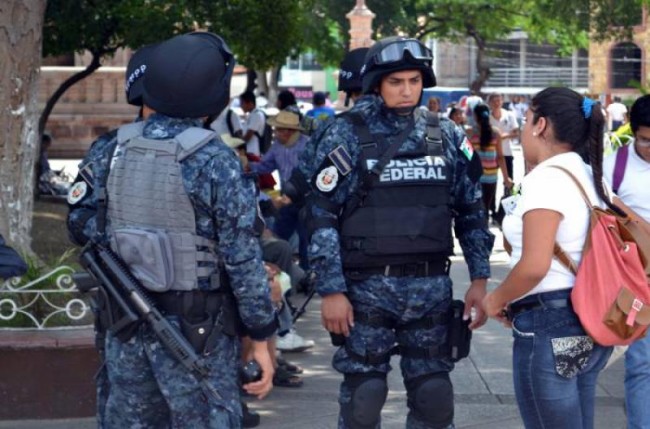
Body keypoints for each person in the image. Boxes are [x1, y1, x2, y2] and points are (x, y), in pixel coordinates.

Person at [67, 33, 276, 428]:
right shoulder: (215, 161)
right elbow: (243, 261)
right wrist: (261, 337)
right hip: (197, 334)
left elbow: (78, 225)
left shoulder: (109, 148)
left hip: (124, 326)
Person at [295, 36, 493, 428]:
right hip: (366, 291)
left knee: (434, 398)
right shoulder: (345, 134)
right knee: (364, 400)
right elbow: (320, 216)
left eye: (414, 81)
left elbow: (471, 210)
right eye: (396, 82)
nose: (407, 91)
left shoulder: (448, 135)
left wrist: (480, 278)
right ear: (377, 84)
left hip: (430, 290)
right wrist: (331, 291)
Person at [483, 87, 615, 429]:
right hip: (591, 318)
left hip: (552, 325)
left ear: (541, 125)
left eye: (526, 120)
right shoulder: (589, 174)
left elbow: (535, 266)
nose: (524, 128)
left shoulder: (548, 179)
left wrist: (494, 300)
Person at [603, 94, 650, 429]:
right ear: (634, 131)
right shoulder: (613, 167)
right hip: (637, 281)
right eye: (647, 140)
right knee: (641, 366)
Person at [245, 110, 310, 271]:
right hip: (286, 200)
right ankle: (283, 274)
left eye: (278, 129)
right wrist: (247, 166)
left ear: (289, 131)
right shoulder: (277, 147)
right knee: (278, 236)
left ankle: (307, 275)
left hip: (307, 200)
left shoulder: (308, 145)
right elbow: (265, 166)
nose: (275, 132)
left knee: (305, 240)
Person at [468, 104, 510, 220]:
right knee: (486, 206)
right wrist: (506, 178)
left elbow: (466, 155)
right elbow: (500, 157)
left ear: (476, 116)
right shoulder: (496, 133)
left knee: (476, 207)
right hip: (491, 177)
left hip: (475, 176)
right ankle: (484, 231)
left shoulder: (470, 132)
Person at [240, 90, 266, 156]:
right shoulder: (252, 114)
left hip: (253, 151)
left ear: (250, 103)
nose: (241, 106)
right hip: (250, 149)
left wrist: (239, 143)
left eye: (242, 103)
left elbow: (249, 134)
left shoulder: (256, 115)